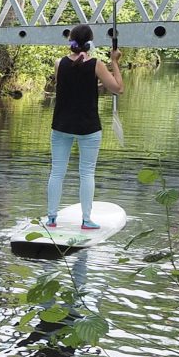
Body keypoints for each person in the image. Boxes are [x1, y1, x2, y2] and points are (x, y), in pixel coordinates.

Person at [47, 22, 124, 228]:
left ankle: (52, 218)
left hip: (61, 125)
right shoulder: (97, 65)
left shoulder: (58, 63)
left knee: (57, 171)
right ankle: (86, 220)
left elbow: (67, 83)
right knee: (87, 172)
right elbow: (118, 88)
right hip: (88, 127)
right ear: (90, 43)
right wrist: (114, 62)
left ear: (70, 41)